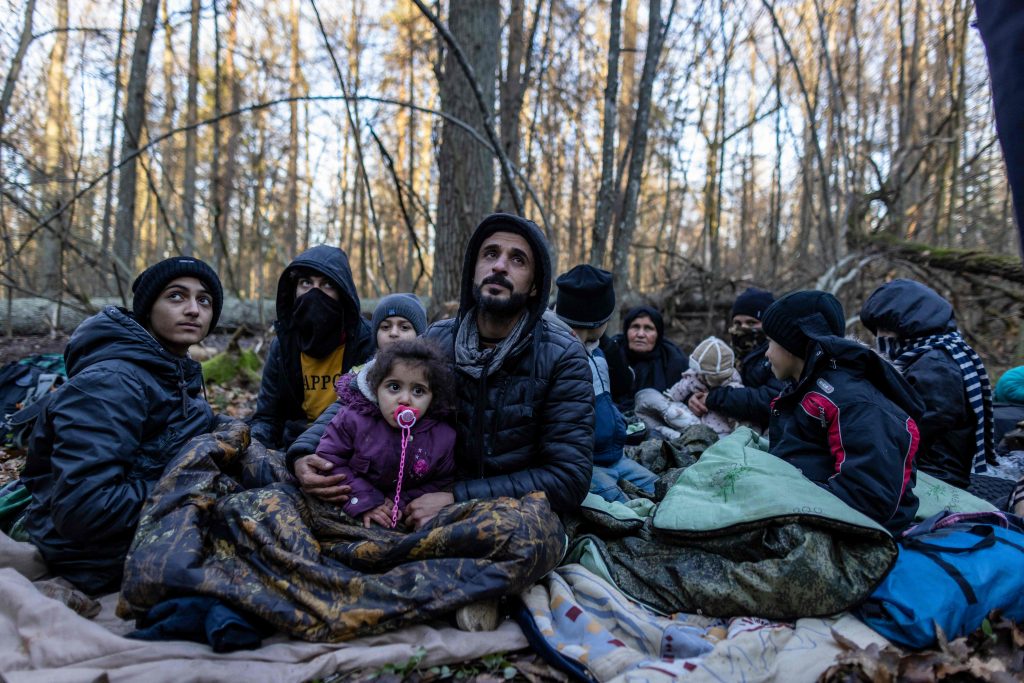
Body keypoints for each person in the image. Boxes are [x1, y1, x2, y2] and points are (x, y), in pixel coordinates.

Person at [294, 213, 595, 530]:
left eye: (517, 260)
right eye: (490, 254)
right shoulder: (437, 338)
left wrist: (459, 498)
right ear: (474, 270)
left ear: (535, 286)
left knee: (524, 541)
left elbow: (568, 478)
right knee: (274, 494)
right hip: (416, 495)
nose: (500, 266)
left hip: (503, 511)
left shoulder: (563, 356)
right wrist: (302, 454)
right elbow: (359, 395)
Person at [20, 257, 223, 594]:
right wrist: (201, 487)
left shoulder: (173, 371)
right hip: (92, 555)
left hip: (148, 526)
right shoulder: (111, 382)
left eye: (204, 300)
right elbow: (86, 509)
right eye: (176, 296)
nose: (193, 309)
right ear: (147, 309)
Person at [761, 290, 924, 534]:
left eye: (770, 342)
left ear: (792, 344)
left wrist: (781, 496)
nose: (766, 353)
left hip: (851, 533)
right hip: (808, 512)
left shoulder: (854, 402)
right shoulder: (807, 388)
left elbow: (868, 499)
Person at [285, 293, 428, 501]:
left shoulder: (433, 379)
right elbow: (332, 417)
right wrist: (301, 451)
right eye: (385, 327)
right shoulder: (360, 378)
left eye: (404, 327)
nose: (394, 334)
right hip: (363, 481)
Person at [859, 279, 994, 489]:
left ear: (909, 325)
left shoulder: (936, 365)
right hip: (926, 471)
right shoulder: (934, 355)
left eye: (885, 329)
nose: (880, 337)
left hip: (935, 478)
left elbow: (914, 429)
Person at [314, 339, 456, 528]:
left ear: (432, 398)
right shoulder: (352, 420)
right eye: (394, 387)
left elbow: (443, 480)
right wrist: (366, 499)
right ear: (375, 388)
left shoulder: (442, 437)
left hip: (402, 514)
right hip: (353, 504)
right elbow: (329, 460)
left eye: (418, 391)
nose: (405, 399)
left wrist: (402, 501)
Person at [250, 245, 374, 450]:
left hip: (350, 447)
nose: (315, 294)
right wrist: (254, 448)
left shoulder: (366, 342)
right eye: (306, 283)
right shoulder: (283, 346)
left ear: (342, 292)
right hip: (291, 445)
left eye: (327, 284)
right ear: (294, 290)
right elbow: (267, 417)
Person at [554, 264, 657, 503]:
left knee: (658, 488)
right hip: (583, 466)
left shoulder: (599, 351)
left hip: (615, 456)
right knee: (625, 508)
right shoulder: (556, 356)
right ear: (599, 320)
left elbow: (616, 392)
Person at [690, 287, 785, 430]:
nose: (742, 328)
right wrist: (694, 399)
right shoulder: (724, 353)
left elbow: (770, 399)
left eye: (751, 323)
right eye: (737, 323)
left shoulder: (779, 355)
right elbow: (699, 378)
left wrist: (713, 398)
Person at [636, 336, 744, 439]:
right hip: (691, 421)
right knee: (649, 396)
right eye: (704, 375)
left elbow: (737, 418)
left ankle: (674, 435)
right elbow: (674, 395)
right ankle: (677, 433)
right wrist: (672, 408)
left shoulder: (734, 390)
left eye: (712, 377)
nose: (706, 379)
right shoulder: (694, 377)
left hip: (719, 433)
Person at [606, 306, 688, 410]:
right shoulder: (611, 353)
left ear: (658, 333)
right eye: (635, 327)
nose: (640, 334)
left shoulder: (673, 359)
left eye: (648, 328)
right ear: (626, 330)